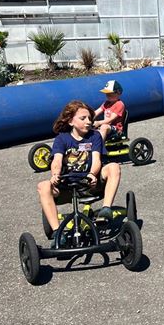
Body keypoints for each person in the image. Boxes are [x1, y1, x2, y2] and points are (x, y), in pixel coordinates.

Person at [37, 100, 121, 239]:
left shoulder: (94, 136)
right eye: (83, 118)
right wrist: (55, 175)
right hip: (67, 186)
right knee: (43, 186)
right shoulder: (61, 139)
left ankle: (106, 208)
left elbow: (96, 159)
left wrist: (92, 174)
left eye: (90, 118)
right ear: (71, 121)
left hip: (89, 183)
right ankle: (58, 232)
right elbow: (57, 160)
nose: (88, 121)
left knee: (114, 167)